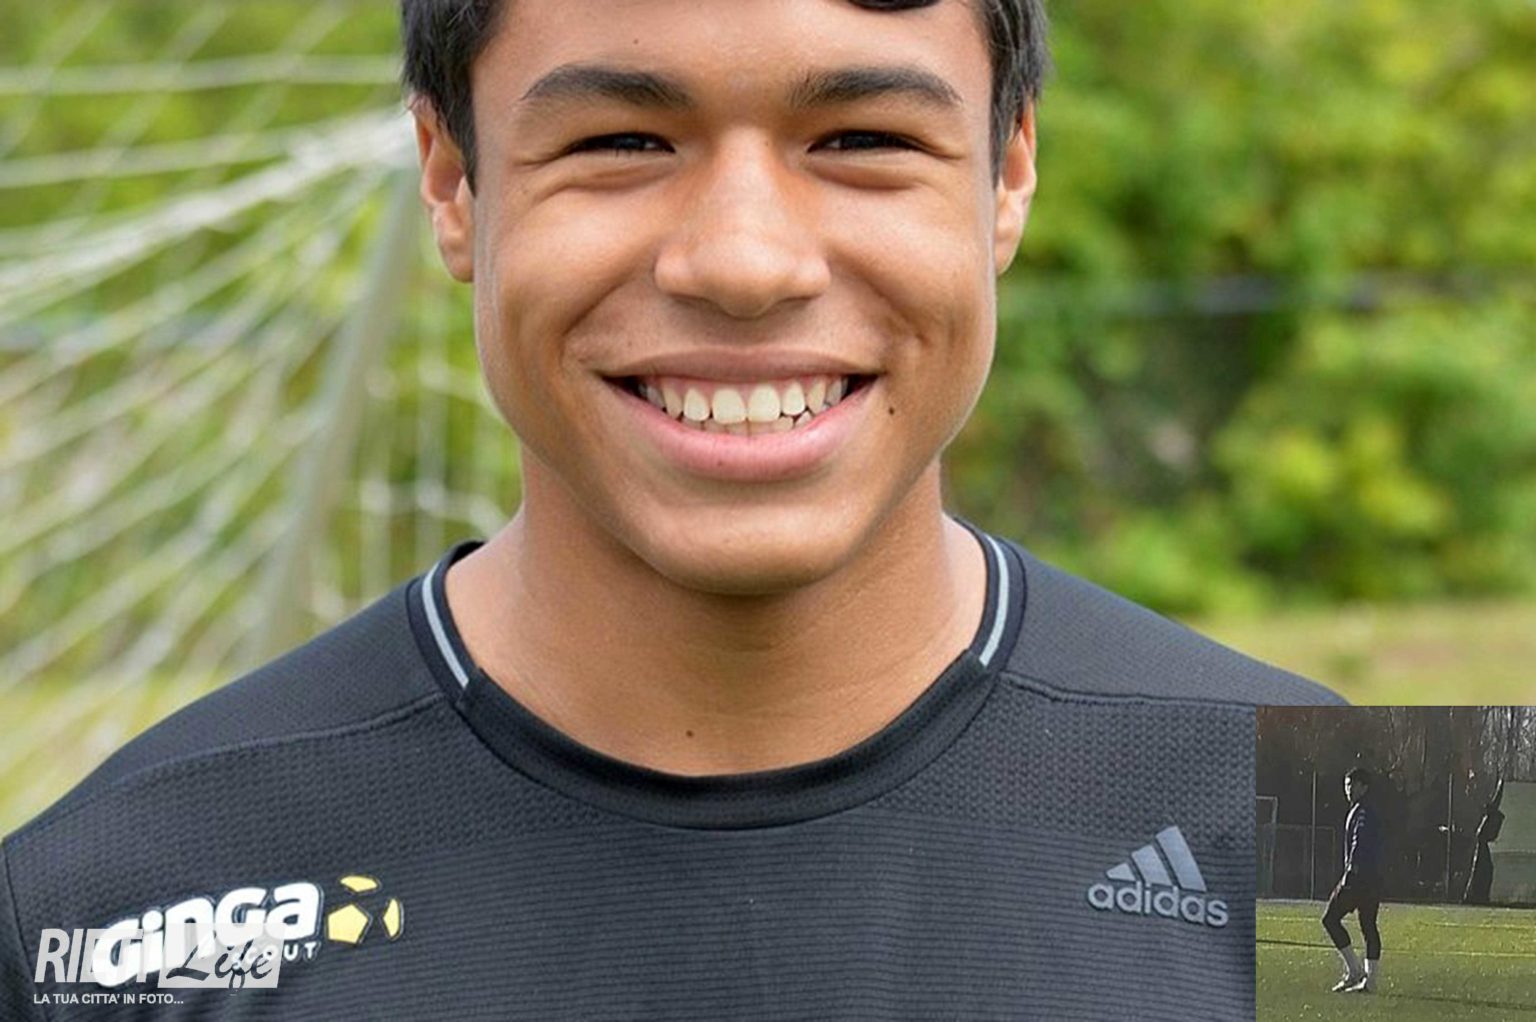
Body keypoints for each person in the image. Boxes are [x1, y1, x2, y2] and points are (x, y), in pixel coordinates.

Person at [0, 2, 1343, 1018]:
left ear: (1007, 176)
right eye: (622, 142)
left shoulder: (1369, 818)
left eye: (862, 140)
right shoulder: (93, 909)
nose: (745, 262)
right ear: (453, 181)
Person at [1322, 766, 1384, 994]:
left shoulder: (1363, 812)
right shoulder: (1363, 810)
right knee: (1368, 926)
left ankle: (1355, 971)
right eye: (1347, 785)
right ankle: (1370, 981)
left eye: (1353, 785)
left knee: (1330, 919)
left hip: (1359, 878)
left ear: (1364, 787)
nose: (1349, 789)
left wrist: (1351, 872)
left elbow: (1361, 842)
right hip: (1372, 878)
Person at [1463, 778, 1505, 905]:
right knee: (1483, 870)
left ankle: (1478, 895)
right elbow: (1495, 802)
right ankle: (1477, 896)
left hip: (1481, 840)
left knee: (1484, 869)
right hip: (1480, 840)